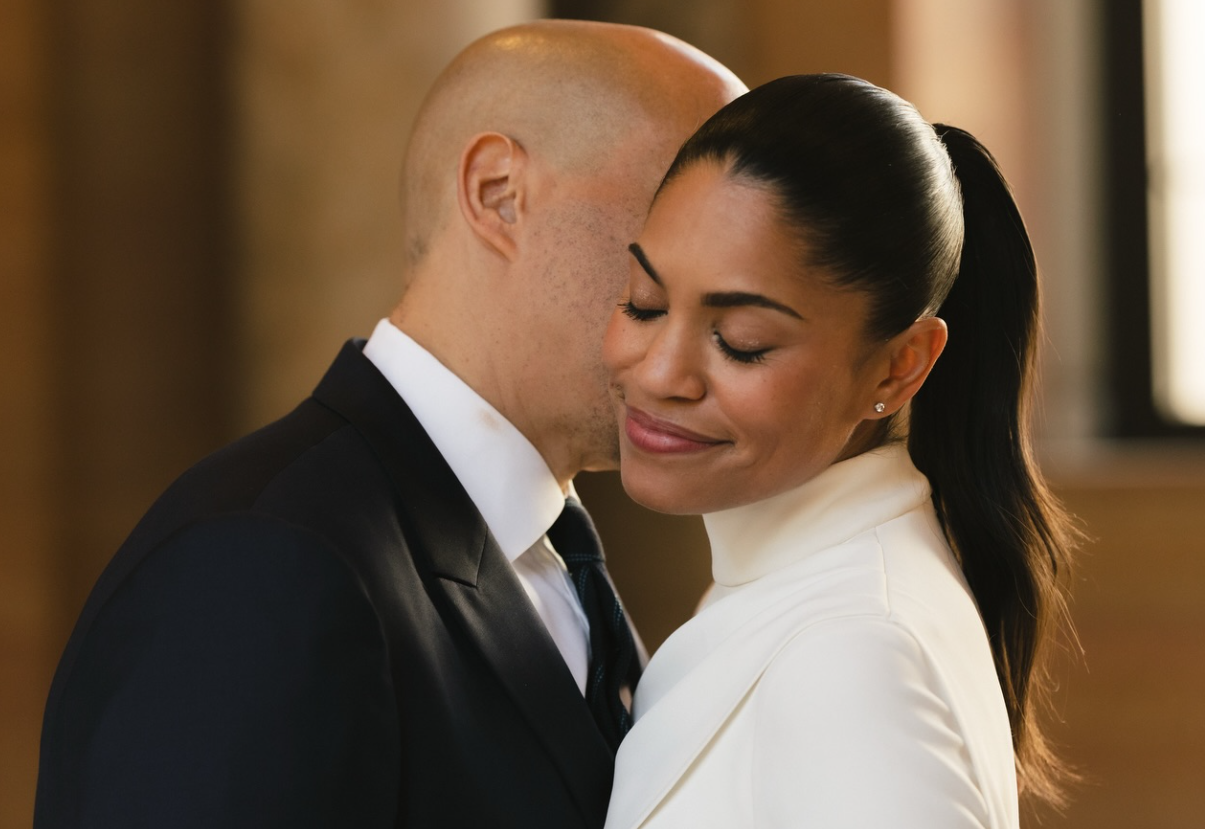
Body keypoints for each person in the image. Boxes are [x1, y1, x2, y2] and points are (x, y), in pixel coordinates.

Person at [34, 21, 745, 828]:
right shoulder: (260, 565)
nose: (725, 297)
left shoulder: (554, 558)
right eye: (677, 232)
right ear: (498, 194)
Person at [601, 74, 1076, 828]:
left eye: (742, 342)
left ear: (898, 367)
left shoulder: (852, 651)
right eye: (643, 303)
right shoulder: (790, 588)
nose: (659, 373)